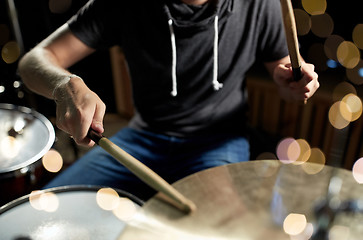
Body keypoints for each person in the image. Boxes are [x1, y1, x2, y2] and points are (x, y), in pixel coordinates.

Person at [18, 0, 319, 200]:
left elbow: (287, 78)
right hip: (143, 138)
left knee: (209, 228)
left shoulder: (260, 4)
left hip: (218, 141)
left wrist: (293, 84)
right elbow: (34, 60)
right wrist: (64, 85)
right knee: (47, 210)